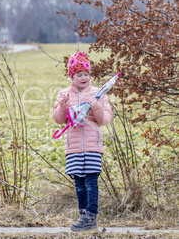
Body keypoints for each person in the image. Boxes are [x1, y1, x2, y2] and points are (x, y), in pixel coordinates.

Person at [53, 52, 112, 232]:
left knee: (91, 181)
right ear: (72, 76)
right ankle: (83, 215)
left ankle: (91, 217)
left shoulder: (98, 93)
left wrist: (95, 104)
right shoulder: (64, 94)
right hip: (74, 148)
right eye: (79, 75)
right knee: (79, 183)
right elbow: (58, 119)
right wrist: (63, 105)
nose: (83, 77)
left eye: (86, 74)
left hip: (93, 146)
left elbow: (105, 120)